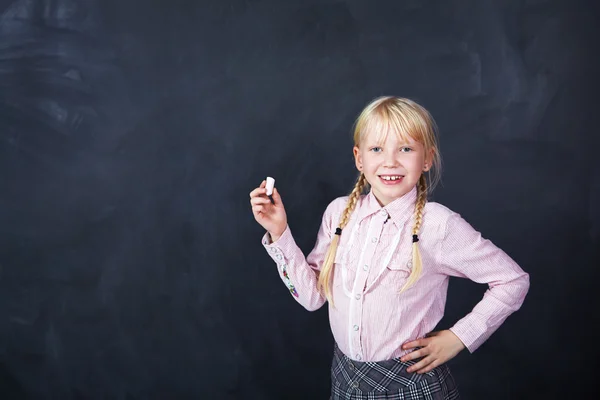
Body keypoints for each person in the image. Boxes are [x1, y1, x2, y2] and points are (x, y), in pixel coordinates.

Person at [249, 96, 530, 399]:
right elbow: (312, 298)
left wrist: (459, 337)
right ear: (359, 158)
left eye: (406, 149)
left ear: (427, 159)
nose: (390, 161)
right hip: (346, 382)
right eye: (376, 149)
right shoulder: (339, 213)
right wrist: (279, 232)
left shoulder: (439, 225)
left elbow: (513, 280)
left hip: (412, 385)